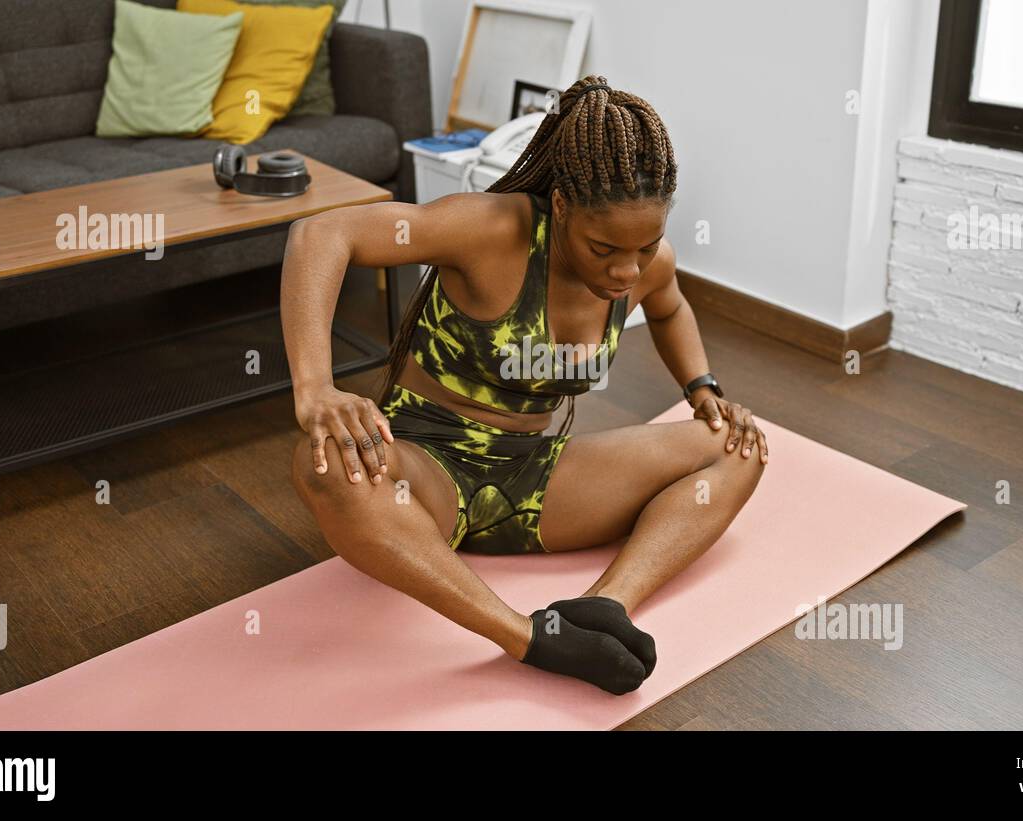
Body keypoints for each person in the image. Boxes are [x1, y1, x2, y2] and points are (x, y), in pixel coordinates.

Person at [281, 75, 766, 695]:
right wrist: (315, 389)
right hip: (424, 473)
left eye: (646, 247)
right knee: (325, 467)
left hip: (535, 478)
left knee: (737, 446)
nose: (627, 270)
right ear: (562, 205)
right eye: (604, 247)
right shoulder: (488, 229)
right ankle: (528, 638)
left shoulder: (646, 265)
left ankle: (602, 609)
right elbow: (322, 234)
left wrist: (703, 388)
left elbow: (670, 308)